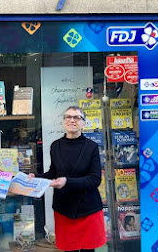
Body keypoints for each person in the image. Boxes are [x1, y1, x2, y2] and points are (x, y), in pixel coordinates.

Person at [30, 106, 106, 252]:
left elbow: (95, 179)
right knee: (68, 249)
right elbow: (53, 172)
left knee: (88, 250)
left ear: (84, 123)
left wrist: (67, 182)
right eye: (68, 117)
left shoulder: (91, 147)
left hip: (88, 210)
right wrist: (36, 177)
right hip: (64, 209)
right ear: (64, 121)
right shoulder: (55, 146)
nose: (72, 120)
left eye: (77, 117)